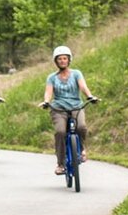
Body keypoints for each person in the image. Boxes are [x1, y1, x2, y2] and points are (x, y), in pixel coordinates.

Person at [40, 46, 98, 175]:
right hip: (59, 109)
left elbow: (83, 86)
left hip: (76, 106)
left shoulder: (76, 73)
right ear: (56, 61)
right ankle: (61, 164)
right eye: (59, 59)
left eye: (65, 58)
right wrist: (46, 102)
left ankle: (82, 150)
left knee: (81, 127)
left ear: (69, 60)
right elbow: (48, 92)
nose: (62, 61)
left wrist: (90, 96)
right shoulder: (52, 77)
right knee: (60, 132)